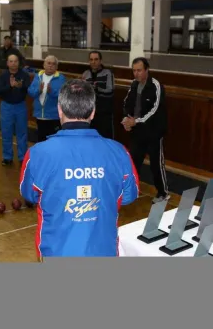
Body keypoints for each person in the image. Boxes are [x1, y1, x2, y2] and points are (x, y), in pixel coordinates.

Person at [19, 79, 140, 258]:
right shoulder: (119, 152)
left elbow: (30, 194)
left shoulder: (37, 154)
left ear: (59, 110)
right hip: (104, 251)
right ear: (93, 112)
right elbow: (129, 195)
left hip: (56, 253)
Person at [122, 57, 170, 203]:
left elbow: (154, 110)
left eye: (139, 70)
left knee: (156, 164)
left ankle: (163, 193)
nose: (136, 74)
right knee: (133, 162)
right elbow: (127, 103)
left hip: (154, 131)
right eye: (134, 71)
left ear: (147, 70)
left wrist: (135, 121)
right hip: (137, 131)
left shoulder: (156, 85)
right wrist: (126, 118)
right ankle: (131, 189)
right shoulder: (134, 84)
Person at [0, 54, 30, 166]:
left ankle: (23, 157)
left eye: (15, 61)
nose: (13, 63)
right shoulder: (3, 76)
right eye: (11, 61)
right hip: (6, 106)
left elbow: (28, 89)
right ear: (7, 63)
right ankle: (7, 157)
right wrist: (10, 86)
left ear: (18, 63)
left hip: (20, 106)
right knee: (6, 132)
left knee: (22, 133)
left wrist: (21, 86)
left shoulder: (24, 75)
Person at [27, 55, 66, 142]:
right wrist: (38, 90)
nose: (50, 65)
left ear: (56, 67)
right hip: (40, 116)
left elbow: (63, 95)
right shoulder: (38, 76)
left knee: (53, 142)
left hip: (54, 117)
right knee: (41, 141)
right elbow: (31, 92)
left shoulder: (61, 78)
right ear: (44, 65)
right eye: (48, 63)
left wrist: (51, 92)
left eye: (53, 64)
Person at [81, 50, 115, 139]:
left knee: (105, 139)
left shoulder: (107, 72)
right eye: (91, 59)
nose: (93, 62)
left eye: (96, 59)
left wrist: (94, 88)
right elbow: (83, 93)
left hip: (104, 113)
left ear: (100, 61)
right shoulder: (86, 73)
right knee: (91, 139)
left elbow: (110, 91)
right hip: (90, 113)